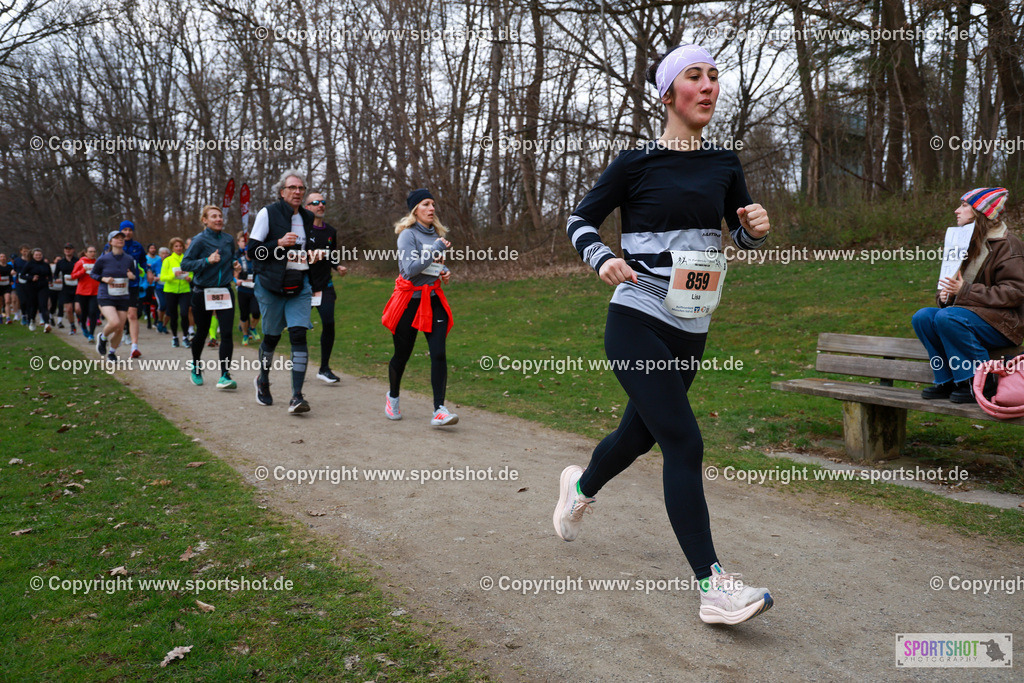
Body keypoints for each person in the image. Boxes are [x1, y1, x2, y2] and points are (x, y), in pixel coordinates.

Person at [552, 45, 774, 625]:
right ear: (669, 92)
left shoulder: (725, 163)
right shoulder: (636, 162)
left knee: (639, 437)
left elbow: (737, 235)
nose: (708, 87)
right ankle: (714, 586)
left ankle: (580, 489)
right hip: (637, 316)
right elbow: (579, 219)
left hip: (691, 325)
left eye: (714, 77)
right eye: (695, 77)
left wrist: (753, 229)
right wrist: (601, 257)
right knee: (684, 441)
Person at [912, 188, 1024, 403]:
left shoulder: (1008, 245)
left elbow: (1016, 292)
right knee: (923, 317)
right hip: (970, 317)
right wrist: (946, 296)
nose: (957, 210)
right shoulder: (964, 243)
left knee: (948, 317)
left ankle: (981, 381)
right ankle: (948, 380)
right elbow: (955, 286)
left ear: (981, 212)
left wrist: (963, 291)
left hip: (1004, 324)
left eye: (964, 206)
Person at [380, 189, 457, 426]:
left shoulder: (437, 234)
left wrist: (443, 271)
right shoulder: (407, 235)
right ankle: (392, 397)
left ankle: (439, 409)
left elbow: (431, 267)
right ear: (415, 210)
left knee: (439, 353)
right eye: (426, 204)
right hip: (409, 303)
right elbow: (409, 270)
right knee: (402, 355)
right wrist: (435, 249)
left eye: (433, 204)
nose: (432, 208)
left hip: (432, 300)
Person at [248, 169, 315, 414]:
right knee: (272, 336)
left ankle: (297, 396)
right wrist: (277, 243)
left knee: (298, 334)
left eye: (301, 189)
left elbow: (306, 248)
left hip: (299, 284)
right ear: (282, 192)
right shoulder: (268, 213)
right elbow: (253, 251)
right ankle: (262, 380)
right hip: (271, 285)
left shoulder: (308, 217)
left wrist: (314, 255)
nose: (298, 192)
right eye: (293, 188)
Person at [181, 205, 238, 390]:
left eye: (220, 216)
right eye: (214, 216)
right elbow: (186, 264)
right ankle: (196, 366)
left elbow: (230, 259)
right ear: (204, 220)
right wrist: (206, 261)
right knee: (202, 332)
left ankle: (224, 375)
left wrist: (235, 265)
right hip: (203, 291)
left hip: (224, 291)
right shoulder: (199, 240)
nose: (219, 219)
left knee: (227, 333)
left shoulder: (229, 239)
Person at [305, 191, 348, 383]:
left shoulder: (331, 231)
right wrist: (310, 257)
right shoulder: (302, 230)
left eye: (323, 202)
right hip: (304, 287)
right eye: (315, 202)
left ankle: (324, 368)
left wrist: (337, 266)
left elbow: (331, 255)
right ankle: (297, 369)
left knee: (329, 324)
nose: (320, 205)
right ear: (307, 207)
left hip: (325, 286)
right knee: (298, 329)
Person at [91, 230, 138, 359]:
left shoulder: (129, 259)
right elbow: (93, 274)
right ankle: (103, 337)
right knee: (114, 322)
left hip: (122, 296)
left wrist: (131, 276)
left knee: (120, 327)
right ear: (110, 242)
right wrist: (104, 279)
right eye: (116, 238)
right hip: (106, 296)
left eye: (122, 238)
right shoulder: (103, 259)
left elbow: (134, 276)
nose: (120, 240)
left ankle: (112, 352)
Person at [118, 221, 146, 358]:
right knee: (119, 317)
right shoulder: (113, 245)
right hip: (117, 286)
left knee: (133, 315)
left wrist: (147, 271)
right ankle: (119, 335)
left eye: (130, 230)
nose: (127, 232)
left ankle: (134, 347)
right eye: (125, 230)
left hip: (133, 285)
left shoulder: (137, 246)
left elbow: (143, 262)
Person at [159, 237, 193, 347]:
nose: (178, 248)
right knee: (173, 315)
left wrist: (190, 278)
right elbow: (163, 277)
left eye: (180, 246)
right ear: (172, 248)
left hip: (184, 290)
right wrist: (174, 275)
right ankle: (174, 337)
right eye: (176, 246)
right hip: (170, 291)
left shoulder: (187, 259)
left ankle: (185, 337)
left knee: (184, 313)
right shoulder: (168, 260)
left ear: (183, 248)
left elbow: (192, 273)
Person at [233, 231, 261, 346]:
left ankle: (253, 328)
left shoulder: (258, 261)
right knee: (244, 315)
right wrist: (237, 281)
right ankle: (245, 335)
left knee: (256, 312)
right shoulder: (240, 261)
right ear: (245, 251)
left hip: (254, 291)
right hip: (243, 291)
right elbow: (235, 276)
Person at [71, 246, 99, 341]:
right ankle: (83, 326)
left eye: (94, 252)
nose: (92, 253)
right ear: (86, 253)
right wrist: (83, 270)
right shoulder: (80, 262)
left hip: (95, 292)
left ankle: (91, 334)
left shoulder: (98, 263)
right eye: (90, 252)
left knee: (93, 313)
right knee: (84, 313)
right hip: (82, 292)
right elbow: (73, 276)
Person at [22, 248, 53, 332]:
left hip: (43, 286)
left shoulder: (45, 264)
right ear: (33, 256)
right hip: (31, 287)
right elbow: (22, 275)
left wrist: (50, 281)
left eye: (40, 255)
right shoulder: (29, 264)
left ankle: (46, 324)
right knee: (33, 305)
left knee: (43, 305)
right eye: (36, 255)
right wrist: (31, 278)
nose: (38, 256)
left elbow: (50, 275)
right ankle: (32, 320)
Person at [54, 242, 79, 335]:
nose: (67, 250)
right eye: (66, 249)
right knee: (68, 309)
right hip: (66, 288)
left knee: (78, 309)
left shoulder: (78, 261)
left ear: (73, 250)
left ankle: (80, 319)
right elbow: (56, 274)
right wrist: (56, 279)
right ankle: (72, 326)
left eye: (69, 249)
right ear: (64, 251)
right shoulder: (60, 262)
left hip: (77, 288)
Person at [12, 245, 31, 325]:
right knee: (22, 301)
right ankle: (23, 316)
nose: (25, 252)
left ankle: (29, 316)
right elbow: (14, 270)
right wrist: (13, 272)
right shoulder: (17, 260)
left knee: (29, 300)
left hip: (29, 282)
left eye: (27, 251)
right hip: (19, 282)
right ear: (21, 251)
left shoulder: (31, 260)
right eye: (24, 251)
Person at [0, 253, 14, 324]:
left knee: (7, 301)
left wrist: (11, 281)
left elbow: (11, 275)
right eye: (1, 257)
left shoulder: (9, 266)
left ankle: (8, 318)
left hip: (7, 286)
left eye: (4, 256)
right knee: (0, 302)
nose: (3, 258)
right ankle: (0, 316)